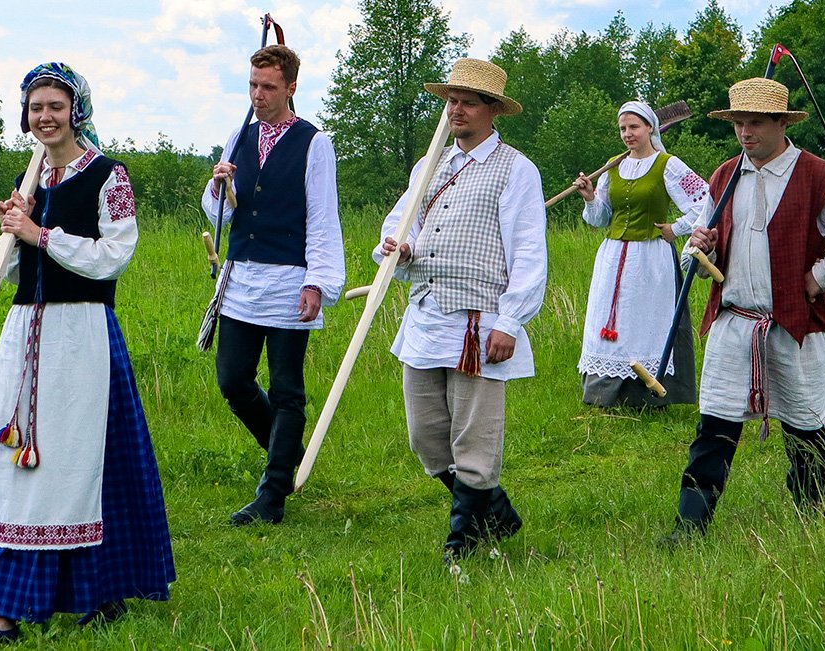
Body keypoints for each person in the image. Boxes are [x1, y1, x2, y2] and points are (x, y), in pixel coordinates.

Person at [0, 63, 175, 646]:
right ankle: (11, 608)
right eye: (35, 107)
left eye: (55, 105)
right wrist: (11, 235)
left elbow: (112, 257)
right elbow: (21, 266)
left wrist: (37, 235)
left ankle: (85, 596)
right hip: (26, 331)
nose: (45, 116)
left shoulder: (108, 176)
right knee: (19, 463)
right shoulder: (31, 181)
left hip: (83, 336)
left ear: (77, 110)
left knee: (78, 465)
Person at [662, 78, 825, 542]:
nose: (746, 133)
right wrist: (701, 245)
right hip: (734, 321)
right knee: (714, 428)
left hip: (792, 323)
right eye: (739, 123)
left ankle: (815, 521)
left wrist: (822, 275)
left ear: (781, 123)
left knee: (805, 427)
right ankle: (690, 526)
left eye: (756, 123)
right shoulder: (726, 175)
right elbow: (704, 241)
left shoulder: (815, 175)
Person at [376, 58, 547, 563]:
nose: (456, 109)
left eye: (468, 101)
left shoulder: (516, 169)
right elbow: (399, 224)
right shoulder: (429, 166)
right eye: (451, 100)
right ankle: (496, 513)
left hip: (480, 322)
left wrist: (511, 322)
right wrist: (399, 248)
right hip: (426, 316)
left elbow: (529, 250)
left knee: (474, 440)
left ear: (493, 110)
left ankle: (461, 546)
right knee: (426, 437)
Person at [201, 45, 346, 525]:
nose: (258, 95)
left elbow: (324, 218)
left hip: (289, 281)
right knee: (233, 381)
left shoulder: (314, 142)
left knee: (287, 390)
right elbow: (221, 213)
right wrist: (219, 186)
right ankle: (286, 458)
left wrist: (318, 283)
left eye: (268, 87)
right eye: (252, 86)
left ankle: (272, 495)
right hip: (241, 279)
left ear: (290, 88)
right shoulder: (237, 137)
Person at [570, 100, 710, 408]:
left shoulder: (668, 164)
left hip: (651, 259)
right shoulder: (613, 165)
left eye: (634, 127)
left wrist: (678, 227)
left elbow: (705, 200)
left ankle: (649, 394)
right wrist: (591, 197)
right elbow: (600, 219)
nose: (627, 134)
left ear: (650, 127)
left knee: (646, 321)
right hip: (613, 257)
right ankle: (603, 394)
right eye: (622, 128)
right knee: (607, 322)